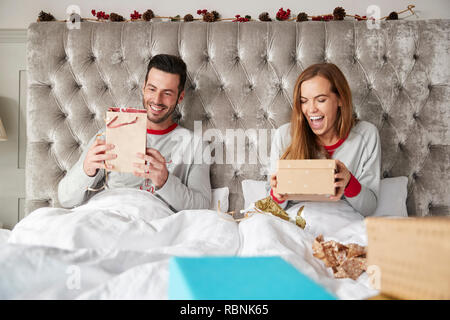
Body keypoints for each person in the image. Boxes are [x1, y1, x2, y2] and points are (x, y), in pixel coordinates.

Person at [58, 54, 211, 212]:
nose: (157, 100)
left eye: (167, 93)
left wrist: (165, 181)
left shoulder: (195, 145)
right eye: (152, 89)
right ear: (144, 88)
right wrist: (86, 171)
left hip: (155, 219)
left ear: (180, 97)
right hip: (108, 213)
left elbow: (202, 207)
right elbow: (65, 199)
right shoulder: (111, 133)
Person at [269, 63, 381, 217]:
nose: (311, 109)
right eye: (304, 101)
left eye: (320, 100)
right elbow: (272, 207)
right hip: (295, 222)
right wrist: (277, 194)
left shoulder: (366, 135)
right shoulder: (284, 136)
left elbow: (369, 208)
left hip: (342, 220)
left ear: (340, 99)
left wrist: (349, 182)